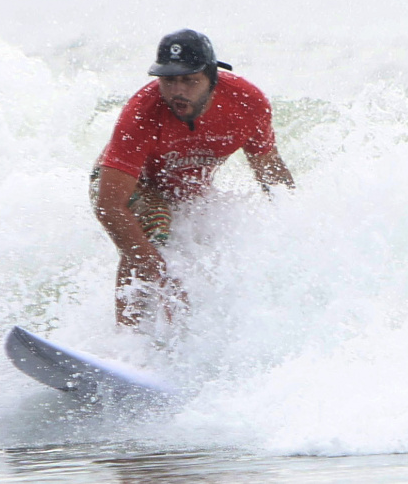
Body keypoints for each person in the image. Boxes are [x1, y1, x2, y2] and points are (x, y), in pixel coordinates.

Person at [91, 29, 294, 327]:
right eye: (169, 81)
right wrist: (158, 272)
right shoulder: (142, 112)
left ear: (212, 78)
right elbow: (110, 206)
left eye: (189, 80)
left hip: (186, 192)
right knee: (154, 224)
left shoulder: (247, 103)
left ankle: (187, 341)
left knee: (211, 247)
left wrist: (293, 227)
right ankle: (128, 340)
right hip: (129, 185)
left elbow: (270, 172)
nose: (177, 92)